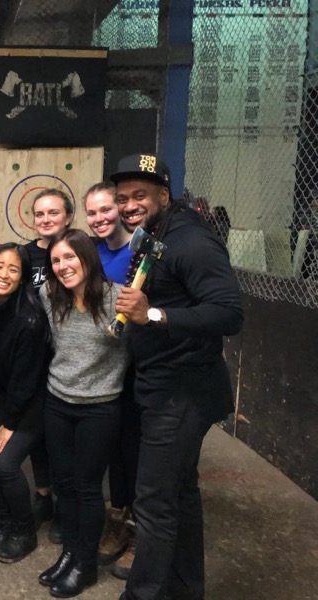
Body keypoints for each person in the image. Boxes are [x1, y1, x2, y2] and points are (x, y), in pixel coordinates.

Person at [111, 153, 243, 600]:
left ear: (164, 195)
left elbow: (229, 312)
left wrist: (153, 314)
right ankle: (185, 591)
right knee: (179, 495)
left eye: (140, 195)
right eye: (123, 197)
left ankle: (142, 594)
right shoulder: (157, 234)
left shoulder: (191, 241)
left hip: (182, 392)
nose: (130, 204)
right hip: (164, 386)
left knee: (154, 502)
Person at [37, 229, 129, 598]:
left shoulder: (117, 298)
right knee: (65, 484)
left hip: (100, 407)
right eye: (56, 260)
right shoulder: (49, 295)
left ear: (87, 258)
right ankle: (70, 553)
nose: (63, 266)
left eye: (70, 258)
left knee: (88, 487)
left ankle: (86, 564)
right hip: (57, 402)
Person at [0, 243, 50, 564]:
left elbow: (26, 381)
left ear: (22, 279)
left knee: (3, 464)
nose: (4, 274)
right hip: (3, 397)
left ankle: (24, 530)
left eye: (13, 269)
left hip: (33, 400)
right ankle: (5, 520)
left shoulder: (29, 319)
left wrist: (8, 426)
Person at [83, 181, 140, 578]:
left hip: (138, 366)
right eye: (93, 212)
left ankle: (140, 534)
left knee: (138, 451)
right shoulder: (90, 251)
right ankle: (117, 520)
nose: (100, 218)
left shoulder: (142, 251)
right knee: (114, 450)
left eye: (106, 209)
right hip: (101, 367)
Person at [24, 188, 74, 533]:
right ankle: (43, 493)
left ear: (68, 217)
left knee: (65, 435)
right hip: (36, 354)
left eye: (53, 213)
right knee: (40, 430)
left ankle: (65, 503)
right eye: (40, 214)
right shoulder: (25, 255)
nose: (46, 220)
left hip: (70, 355)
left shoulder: (77, 251)